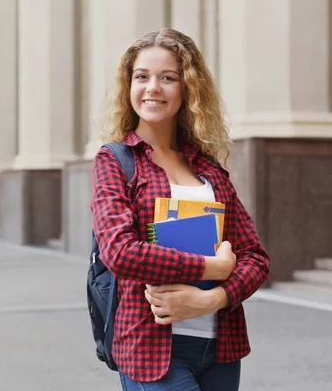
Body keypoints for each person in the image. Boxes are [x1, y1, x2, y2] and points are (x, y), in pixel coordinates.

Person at [90, 28, 270, 390]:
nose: (153, 87)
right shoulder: (115, 162)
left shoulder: (209, 170)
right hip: (150, 348)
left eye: (167, 78)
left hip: (219, 348)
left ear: (187, 88)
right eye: (142, 77)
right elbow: (119, 251)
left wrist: (212, 298)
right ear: (129, 87)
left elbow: (255, 256)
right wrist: (212, 266)